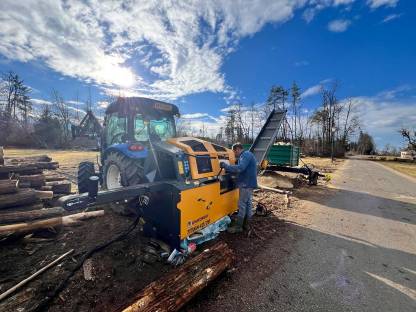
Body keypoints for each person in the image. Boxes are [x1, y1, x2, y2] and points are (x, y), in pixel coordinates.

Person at [220, 143, 258, 233]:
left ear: (237, 149)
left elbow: (240, 168)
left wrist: (226, 166)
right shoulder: (246, 155)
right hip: (249, 183)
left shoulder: (245, 155)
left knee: (241, 204)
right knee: (248, 204)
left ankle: (238, 227)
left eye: (234, 151)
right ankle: (246, 224)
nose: (234, 154)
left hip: (246, 184)